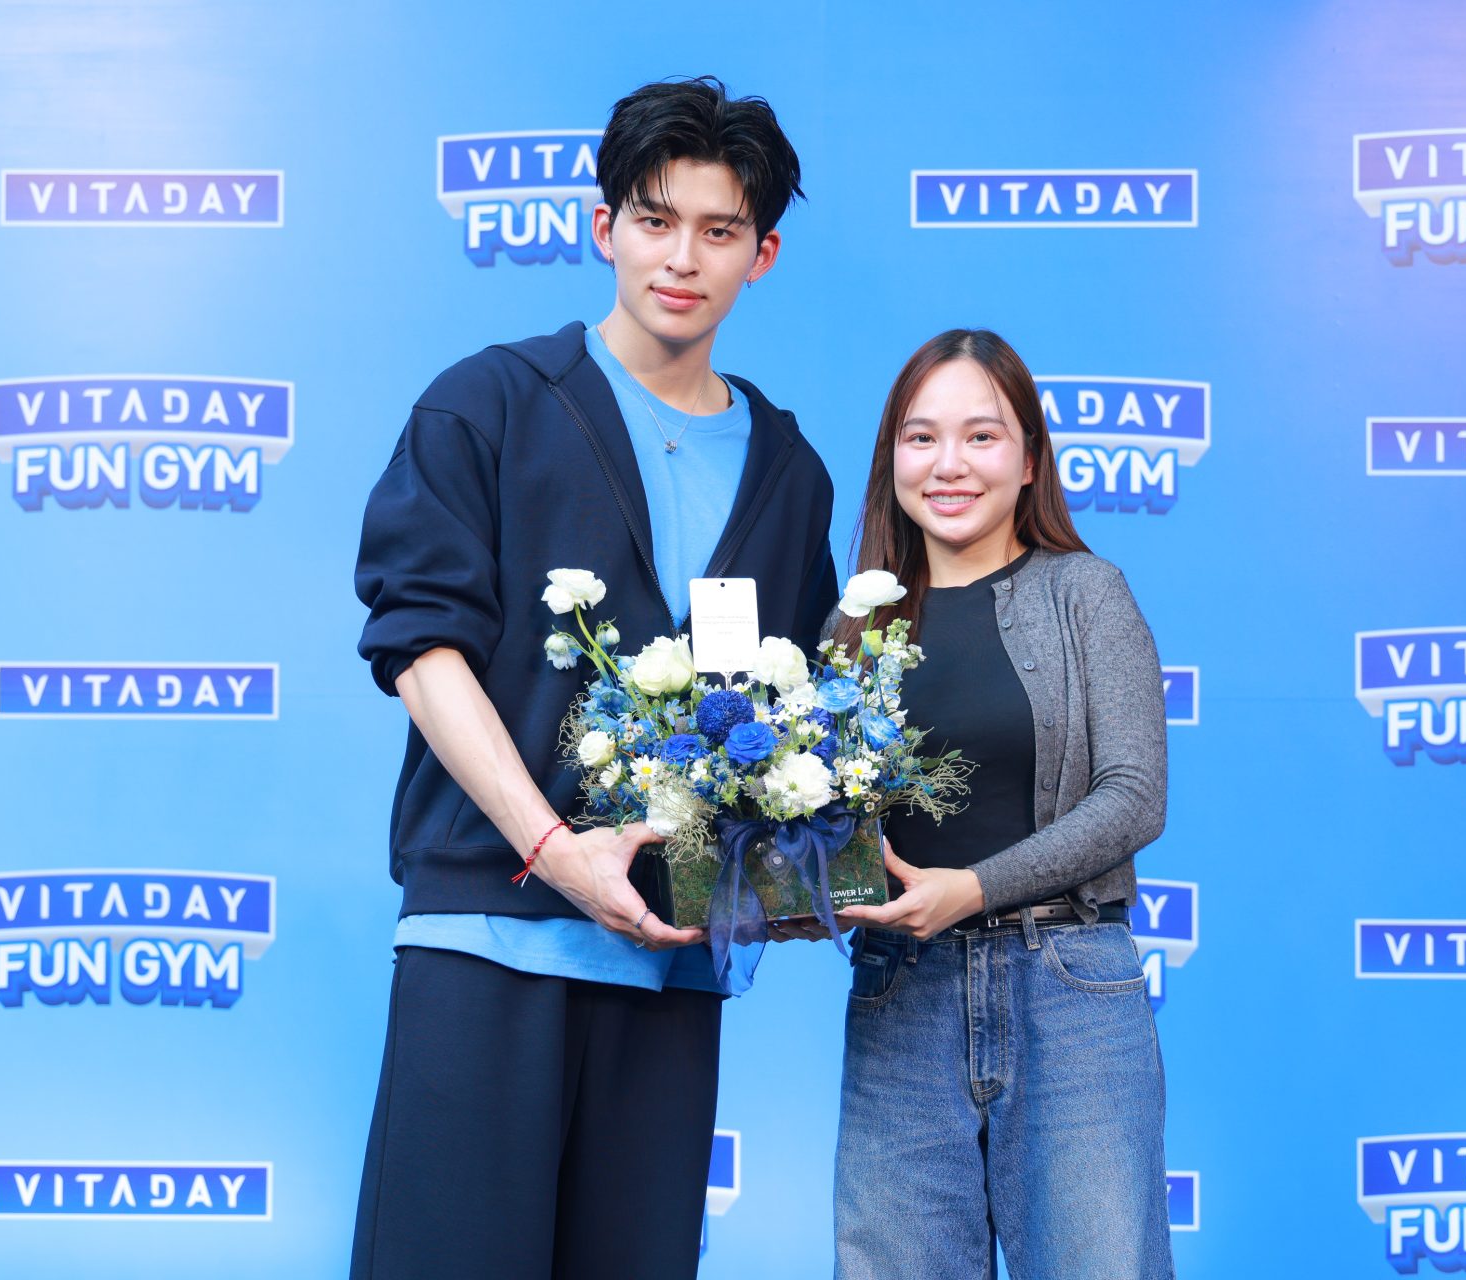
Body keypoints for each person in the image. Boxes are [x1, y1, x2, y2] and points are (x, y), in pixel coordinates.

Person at [348, 77, 838, 1280]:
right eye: (655, 220)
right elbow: (421, 650)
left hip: (668, 960)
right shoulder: (488, 403)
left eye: (719, 230)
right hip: (490, 936)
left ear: (763, 255)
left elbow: (795, 713)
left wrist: (797, 871)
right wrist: (552, 847)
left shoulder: (790, 471)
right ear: (603, 225)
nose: (682, 258)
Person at [830, 330, 1174, 1279]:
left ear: (1028, 461)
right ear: (892, 458)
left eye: (981, 437)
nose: (948, 465)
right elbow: (830, 825)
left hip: (1069, 990)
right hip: (899, 992)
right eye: (921, 437)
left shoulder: (1085, 593)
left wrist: (973, 888)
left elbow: (1135, 797)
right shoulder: (853, 625)